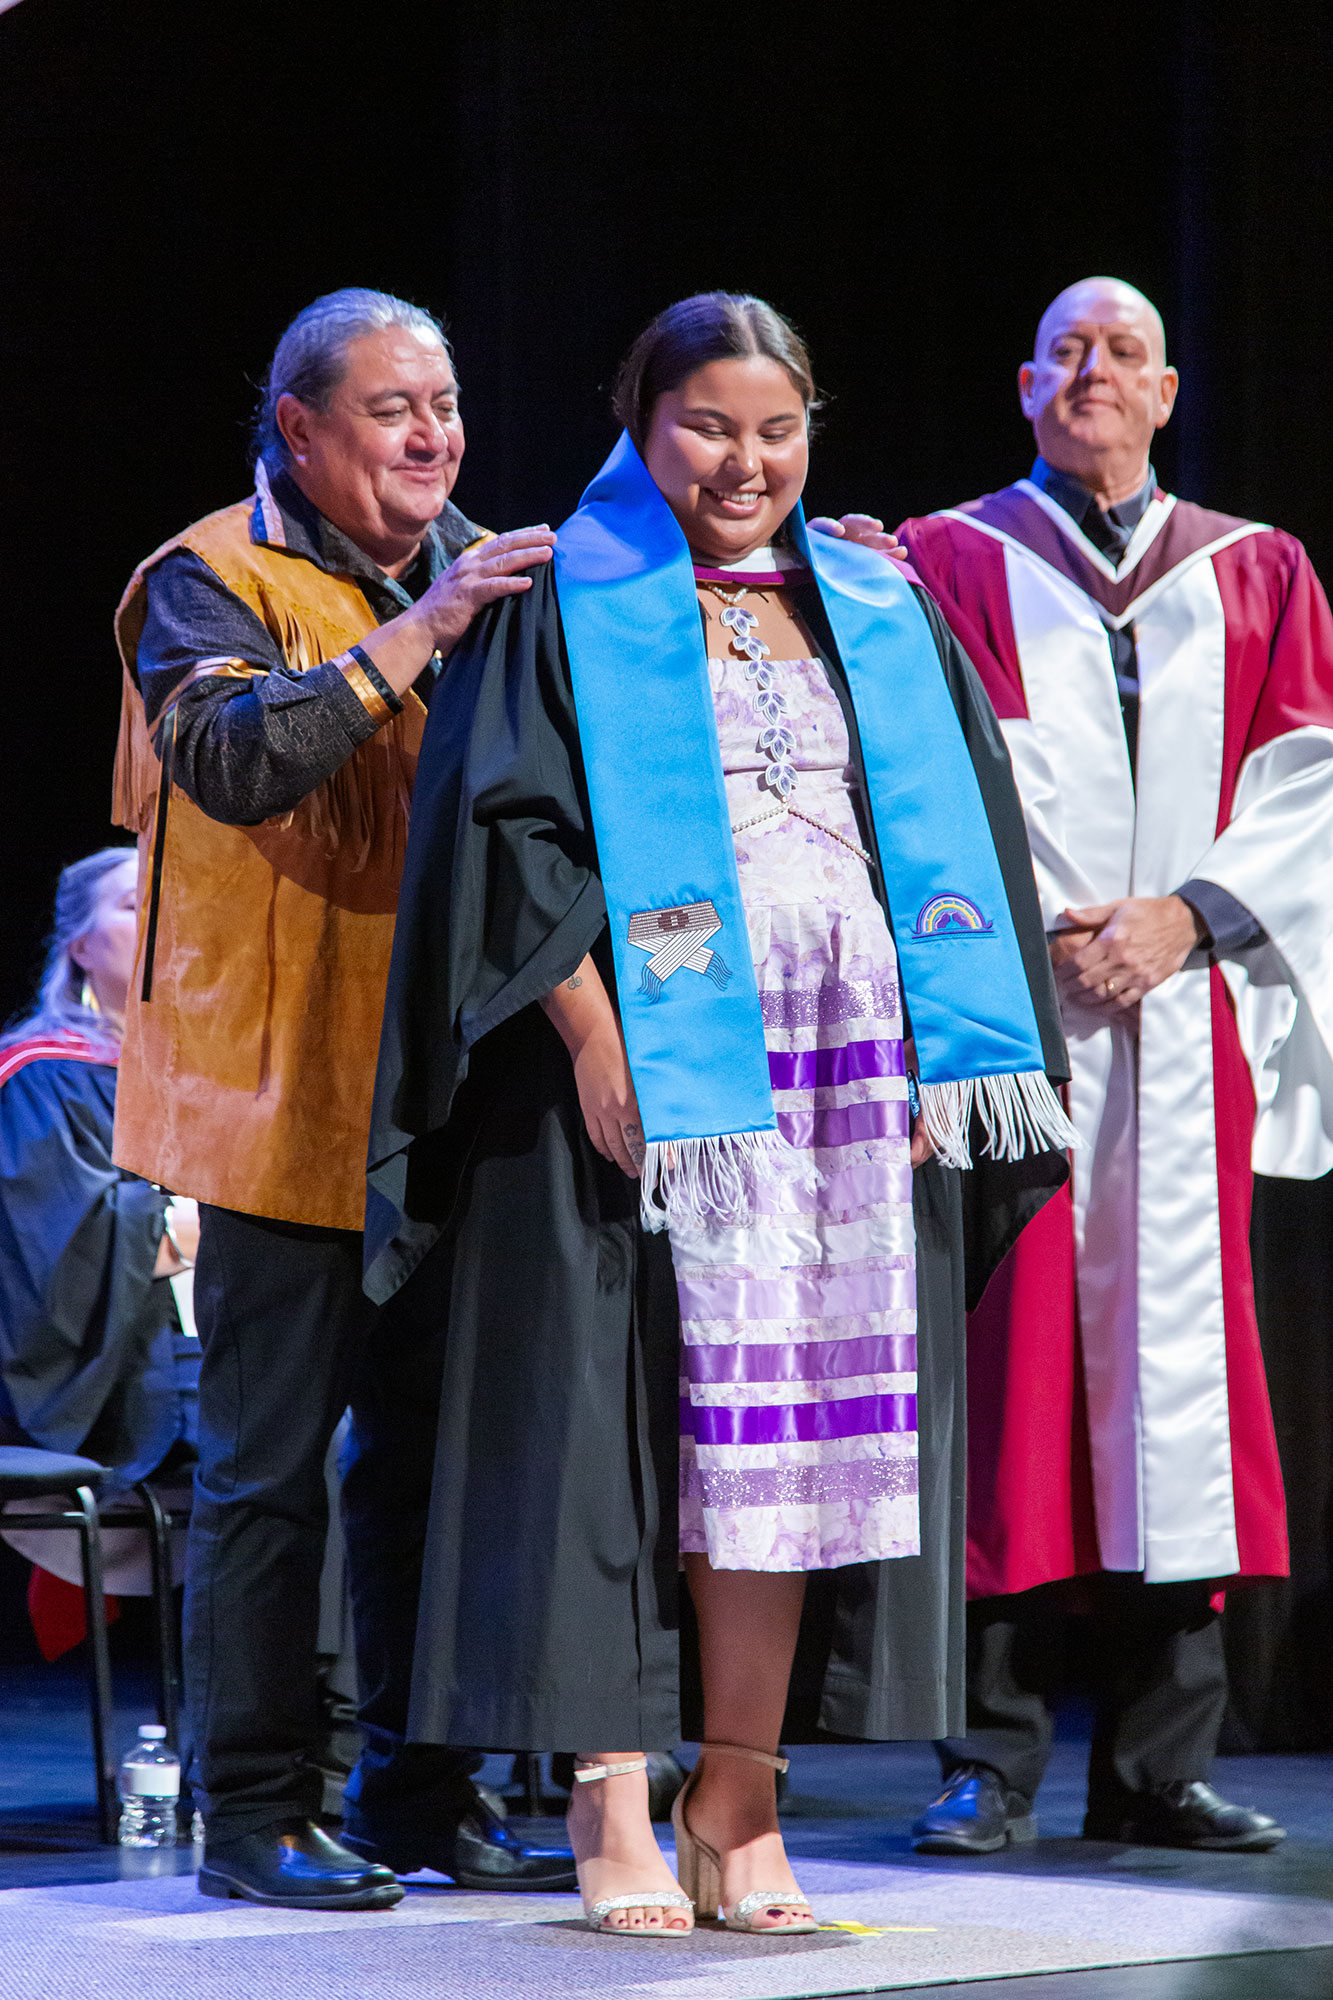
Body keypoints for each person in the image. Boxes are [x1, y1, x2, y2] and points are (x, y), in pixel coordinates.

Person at [366, 291, 1073, 1936]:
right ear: (637, 423)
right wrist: (601, 1050)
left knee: (784, 1443)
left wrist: (945, 1055)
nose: (742, 462)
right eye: (704, 426)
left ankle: (735, 1800)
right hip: (644, 1072)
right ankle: (612, 1802)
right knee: (626, 1428)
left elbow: (953, 836)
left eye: (775, 429)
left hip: (842, 1080)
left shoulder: (873, 604)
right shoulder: (567, 602)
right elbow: (515, 839)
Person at [111, 288, 574, 1908]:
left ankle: (416, 1791)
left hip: (449, 1090)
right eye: (392, 407)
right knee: (267, 1472)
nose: (432, 433)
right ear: (299, 428)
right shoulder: (203, 578)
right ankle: (253, 1814)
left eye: (442, 402)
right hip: (270, 1091)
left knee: (434, 1469)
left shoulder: (499, 572)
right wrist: (422, 631)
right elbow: (235, 762)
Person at [897, 276, 1333, 1854]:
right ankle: (986, 1760)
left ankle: (1158, 1765)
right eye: (1067, 351)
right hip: (1006, 1032)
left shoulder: (1255, 571)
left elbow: (1307, 787)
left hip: (1186, 1019)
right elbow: (914, 790)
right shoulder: (942, 564)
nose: (1095, 372)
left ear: (1167, 393)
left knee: (1192, 1394)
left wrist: (1185, 919)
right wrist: (1036, 947)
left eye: (1125, 353)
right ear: (1026, 386)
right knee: (1005, 1386)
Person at [0, 849, 199, 1639]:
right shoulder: (44, 1077)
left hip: (207, 1352)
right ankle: (316, 1714)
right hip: (119, 1377)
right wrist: (217, 1224)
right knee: (304, 1440)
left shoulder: (212, 1073)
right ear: (78, 946)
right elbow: (68, 1261)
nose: (159, 915)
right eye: (131, 903)